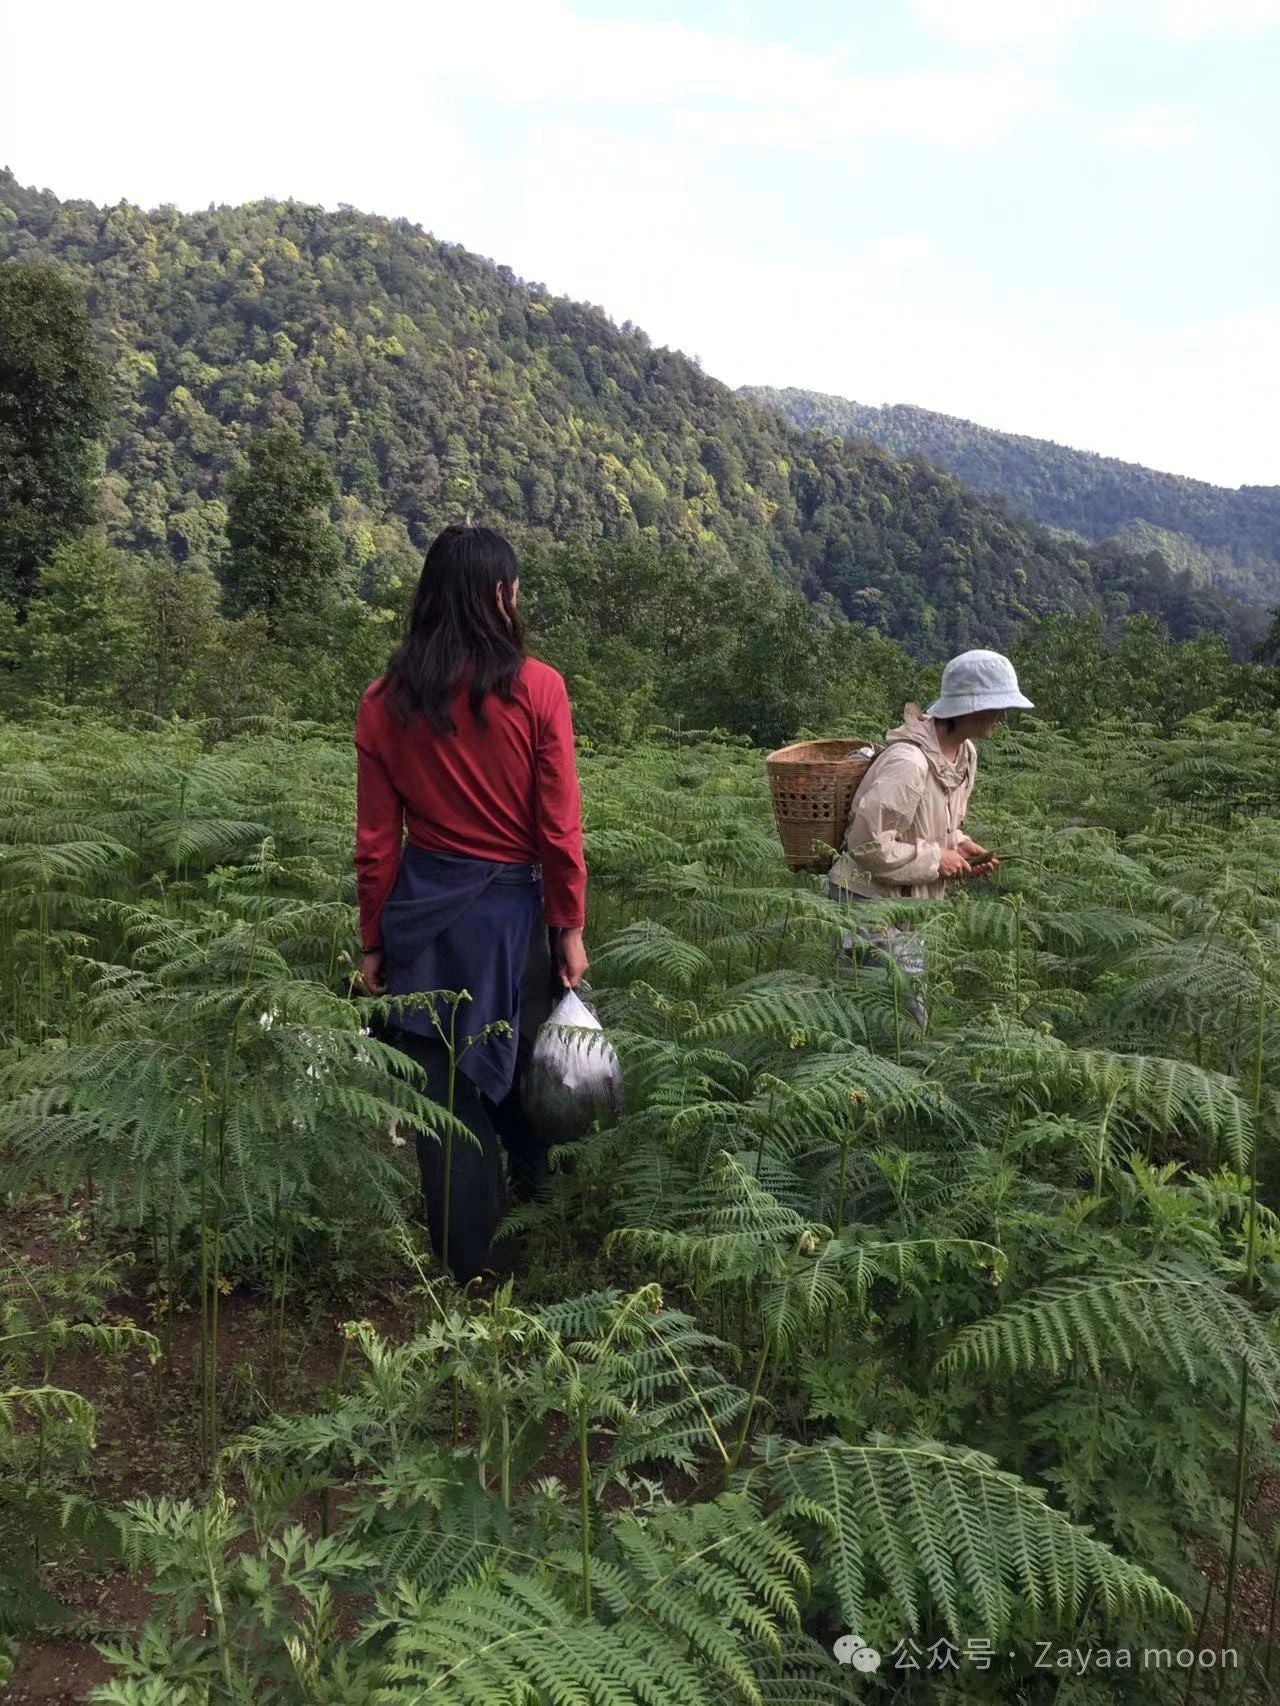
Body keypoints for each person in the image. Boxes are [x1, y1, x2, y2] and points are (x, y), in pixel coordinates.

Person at [354, 523, 588, 1281]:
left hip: (423, 917)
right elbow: (558, 828)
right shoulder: (538, 688)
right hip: (514, 919)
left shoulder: (385, 700)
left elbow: (377, 843)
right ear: (499, 595)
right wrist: (569, 926)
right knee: (525, 1070)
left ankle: (473, 1273)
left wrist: (374, 942)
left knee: (442, 1102)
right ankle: (540, 1217)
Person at [827, 649, 1034, 1023]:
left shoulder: (964, 754)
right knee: (886, 1021)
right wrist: (938, 859)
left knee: (900, 1016)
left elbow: (930, 826)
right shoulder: (909, 763)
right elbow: (867, 845)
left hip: (912, 906)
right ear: (968, 708)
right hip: (867, 906)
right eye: (997, 706)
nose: (1003, 717)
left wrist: (959, 845)